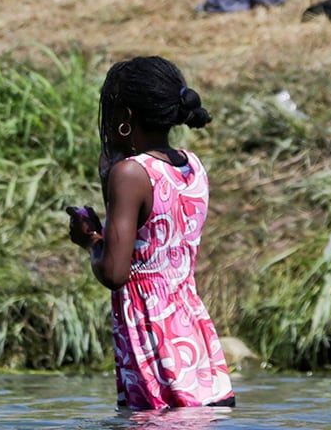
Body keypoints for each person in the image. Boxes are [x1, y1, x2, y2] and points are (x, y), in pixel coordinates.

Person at [66, 56, 234, 410]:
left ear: (125, 117)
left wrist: (90, 240)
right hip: (194, 340)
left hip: (153, 341)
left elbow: (114, 272)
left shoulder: (130, 174)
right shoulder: (191, 164)